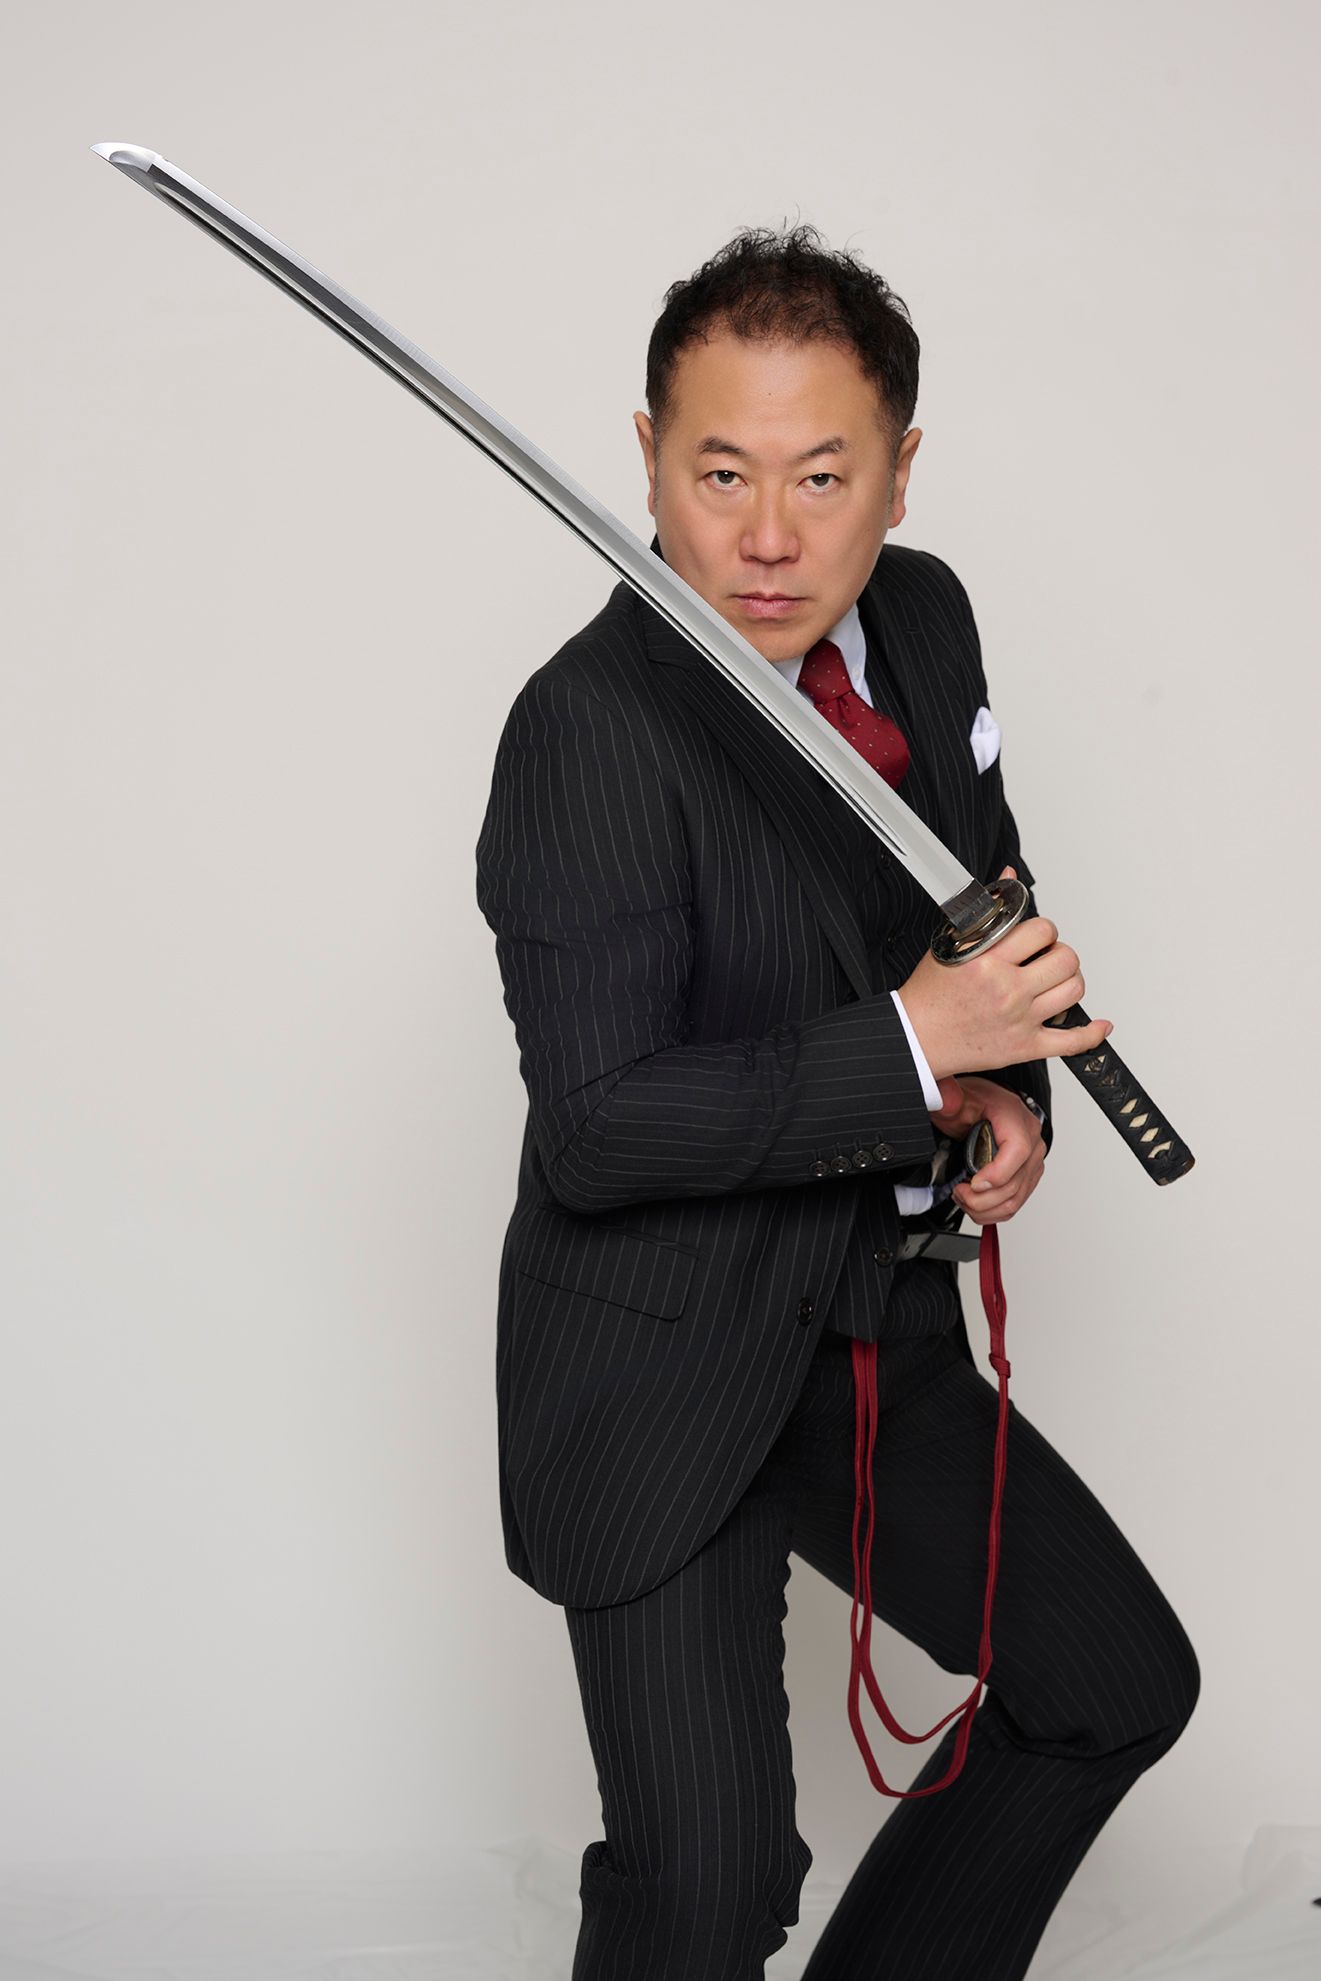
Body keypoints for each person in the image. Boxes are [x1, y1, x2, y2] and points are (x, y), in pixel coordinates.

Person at [474, 226, 1199, 1981]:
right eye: (718, 472)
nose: (768, 535)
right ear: (647, 454)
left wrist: (996, 1085)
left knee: (1108, 1684)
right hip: (660, 1358)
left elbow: (970, 890)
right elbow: (597, 1126)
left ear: (899, 470)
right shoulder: (585, 727)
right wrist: (910, 1043)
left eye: (821, 475)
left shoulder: (923, 616)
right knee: (710, 1886)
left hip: (872, 1322)